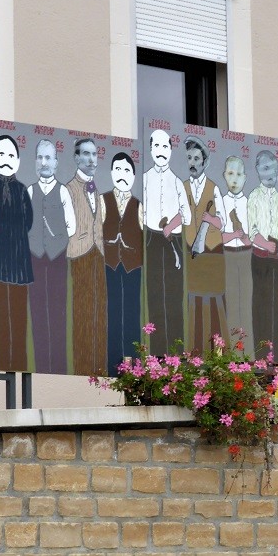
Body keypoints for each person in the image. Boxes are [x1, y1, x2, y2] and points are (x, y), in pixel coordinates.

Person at [28, 139, 76, 374]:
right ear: (35, 161)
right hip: (35, 258)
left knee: (58, 311)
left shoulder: (63, 191)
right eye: (40, 157)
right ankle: (40, 365)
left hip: (57, 258)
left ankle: (58, 365)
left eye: (49, 158)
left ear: (56, 163)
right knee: (37, 312)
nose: (44, 162)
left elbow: (72, 227)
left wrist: (57, 240)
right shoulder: (30, 190)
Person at [0, 135, 34, 371]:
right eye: (1, 154)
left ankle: (20, 364)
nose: (6, 160)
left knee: (19, 320)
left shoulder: (22, 190)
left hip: (19, 265)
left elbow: (29, 222)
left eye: (11, 155)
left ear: (18, 160)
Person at [143, 129, 191, 354]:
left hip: (174, 241)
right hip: (152, 238)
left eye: (165, 147)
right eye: (157, 146)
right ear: (150, 149)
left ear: (171, 150)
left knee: (173, 297)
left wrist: (171, 226)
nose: (161, 151)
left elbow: (187, 214)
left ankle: (177, 353)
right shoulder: (144, 179)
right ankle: (156, 353)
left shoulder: (176, 182)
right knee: (154, 294)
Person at [66, 137, 107, 375]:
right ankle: (81, 365)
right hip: (78, 253)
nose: (91, 159)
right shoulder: (69, 188)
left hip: (98, 254)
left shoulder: (97, 189)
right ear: (76, 158)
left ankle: (98, 365)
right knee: (80, 311)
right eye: (86, 154)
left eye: (94, 154)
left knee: (98, 311)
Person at [183, 136, 228, 351]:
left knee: (215, 303)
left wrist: (208, 220)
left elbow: (222, 221)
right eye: (189, 157)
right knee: (194, 301)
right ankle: (194, 353)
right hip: (190, 251)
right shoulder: (181, 186)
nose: (192, 162)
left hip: (211, 252)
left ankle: (219, 355)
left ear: (205, 162)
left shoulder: (214, 188)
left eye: (196, 158)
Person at [247, 151, 278, 359]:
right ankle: (262, 357)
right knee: (262, 309)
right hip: (260, 259)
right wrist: (267, 244)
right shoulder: (254, 197)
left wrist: (277, 242)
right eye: (266, 169)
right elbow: (252, 231)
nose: (271, 174)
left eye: (273, 169)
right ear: (257, 171)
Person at [101, 152, 143, 371]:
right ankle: (113, 364)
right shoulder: (104, 199)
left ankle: (135, 364)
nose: (122, 174)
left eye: (127, 170)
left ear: (134, 176)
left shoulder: (138, 205)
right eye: (118, 169)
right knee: (113, 313)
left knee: (132, 314)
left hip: (133, 266)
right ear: (111, 173)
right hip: (110, 265)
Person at [221, 156, 254, 352]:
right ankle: (233, 351)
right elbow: (217, 236)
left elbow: (254, 237)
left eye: (239, 174)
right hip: (227, 255)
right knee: (231, 305)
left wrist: (244, 237)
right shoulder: (221, 202)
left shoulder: (250, 204)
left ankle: (247, 352)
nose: (234, 179)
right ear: (224, 176)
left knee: (246, 305)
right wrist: (235, 234)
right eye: (230, 174)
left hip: (246, 256)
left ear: (245, 178)